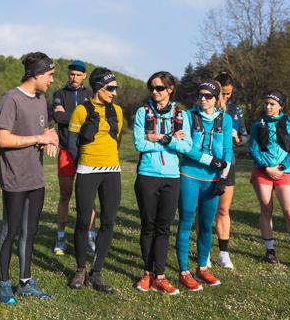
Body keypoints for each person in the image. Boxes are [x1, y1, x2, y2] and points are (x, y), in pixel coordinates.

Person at [0, 52, 58, 304]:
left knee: (29, 232)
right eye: (50, 75)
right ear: (37, 74)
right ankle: (3, 285)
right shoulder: (10, 99)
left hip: (36, 178)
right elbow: (4, 139)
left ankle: (25, 282)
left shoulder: (42, 100)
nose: (52, 80)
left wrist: (50, 138)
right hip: (14, 179)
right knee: (9, 231)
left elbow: (41, 130)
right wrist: (39, 139)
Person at [133, 71, 191, 295]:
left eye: (159, 88)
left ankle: (160, 276)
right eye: (152, 88)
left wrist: (157, 138)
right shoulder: (142, 112)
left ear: (170, 89)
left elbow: (187, 147)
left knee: (163, 228)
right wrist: (169, 139)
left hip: (171, 177)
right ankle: (147, 273)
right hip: (147, 175)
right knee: (148, 226)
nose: (155, 92)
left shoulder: (181, 114)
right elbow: (140, 144)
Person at [67, 67, 123, 294]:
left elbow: (116, 140)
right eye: (111, 88)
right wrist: (84, 163)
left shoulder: (117, 111)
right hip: (87, 171)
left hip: (112, 172)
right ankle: (81, 269)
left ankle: (97, 271)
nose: (114, 93)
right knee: (83, 221)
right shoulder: (80, 111)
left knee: (108, 221)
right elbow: (72, 145)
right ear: (99, 87)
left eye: (115, 88)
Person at [176, 80, 232, 291]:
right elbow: (186, 148)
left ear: (216, 98)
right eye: (200, 95)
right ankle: (183, 271)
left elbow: (227, 150)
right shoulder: (188, 115)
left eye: (208, 96)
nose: (203, 99)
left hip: (213, 180)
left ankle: (202, 267)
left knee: (207, 225)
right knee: (186, 221)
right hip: (189, 175)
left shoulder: (224, 119)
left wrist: (224, 176)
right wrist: (211, 161)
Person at [248, 89, 290, 270]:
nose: (268, 107)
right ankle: (270, 251)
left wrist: (281, 168)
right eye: (266, 103)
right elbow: (253, 149)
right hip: (263, 171)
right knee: (266, 210)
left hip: (284, 172)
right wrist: (267, 168)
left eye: (272, 104)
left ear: (281, 106)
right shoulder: (258, 124)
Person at [51, 60, 95, 256]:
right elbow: (57, 118)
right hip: (65, 151)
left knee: (88, 197)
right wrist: (79, 117)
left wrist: (68, 115)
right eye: (72, 74)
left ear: (84, 76)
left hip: (86, 151)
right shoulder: (59, 94)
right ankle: (60, 238)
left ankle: (90, 237)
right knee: (65, 194)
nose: (74, 78)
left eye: (78, 75)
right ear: (68, 75)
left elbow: (93, 119)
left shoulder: (90, 96)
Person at [212, 71, 248, 269]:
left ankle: (223, 253)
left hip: (228, 165)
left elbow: (244, 137)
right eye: (222, 93)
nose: (225, 97)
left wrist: (237, 139)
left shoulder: (235, 110)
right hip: (206, 164)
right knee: (205, 210)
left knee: (223, 209)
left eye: (228, 94)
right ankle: (204, 253)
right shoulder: (203, 105)